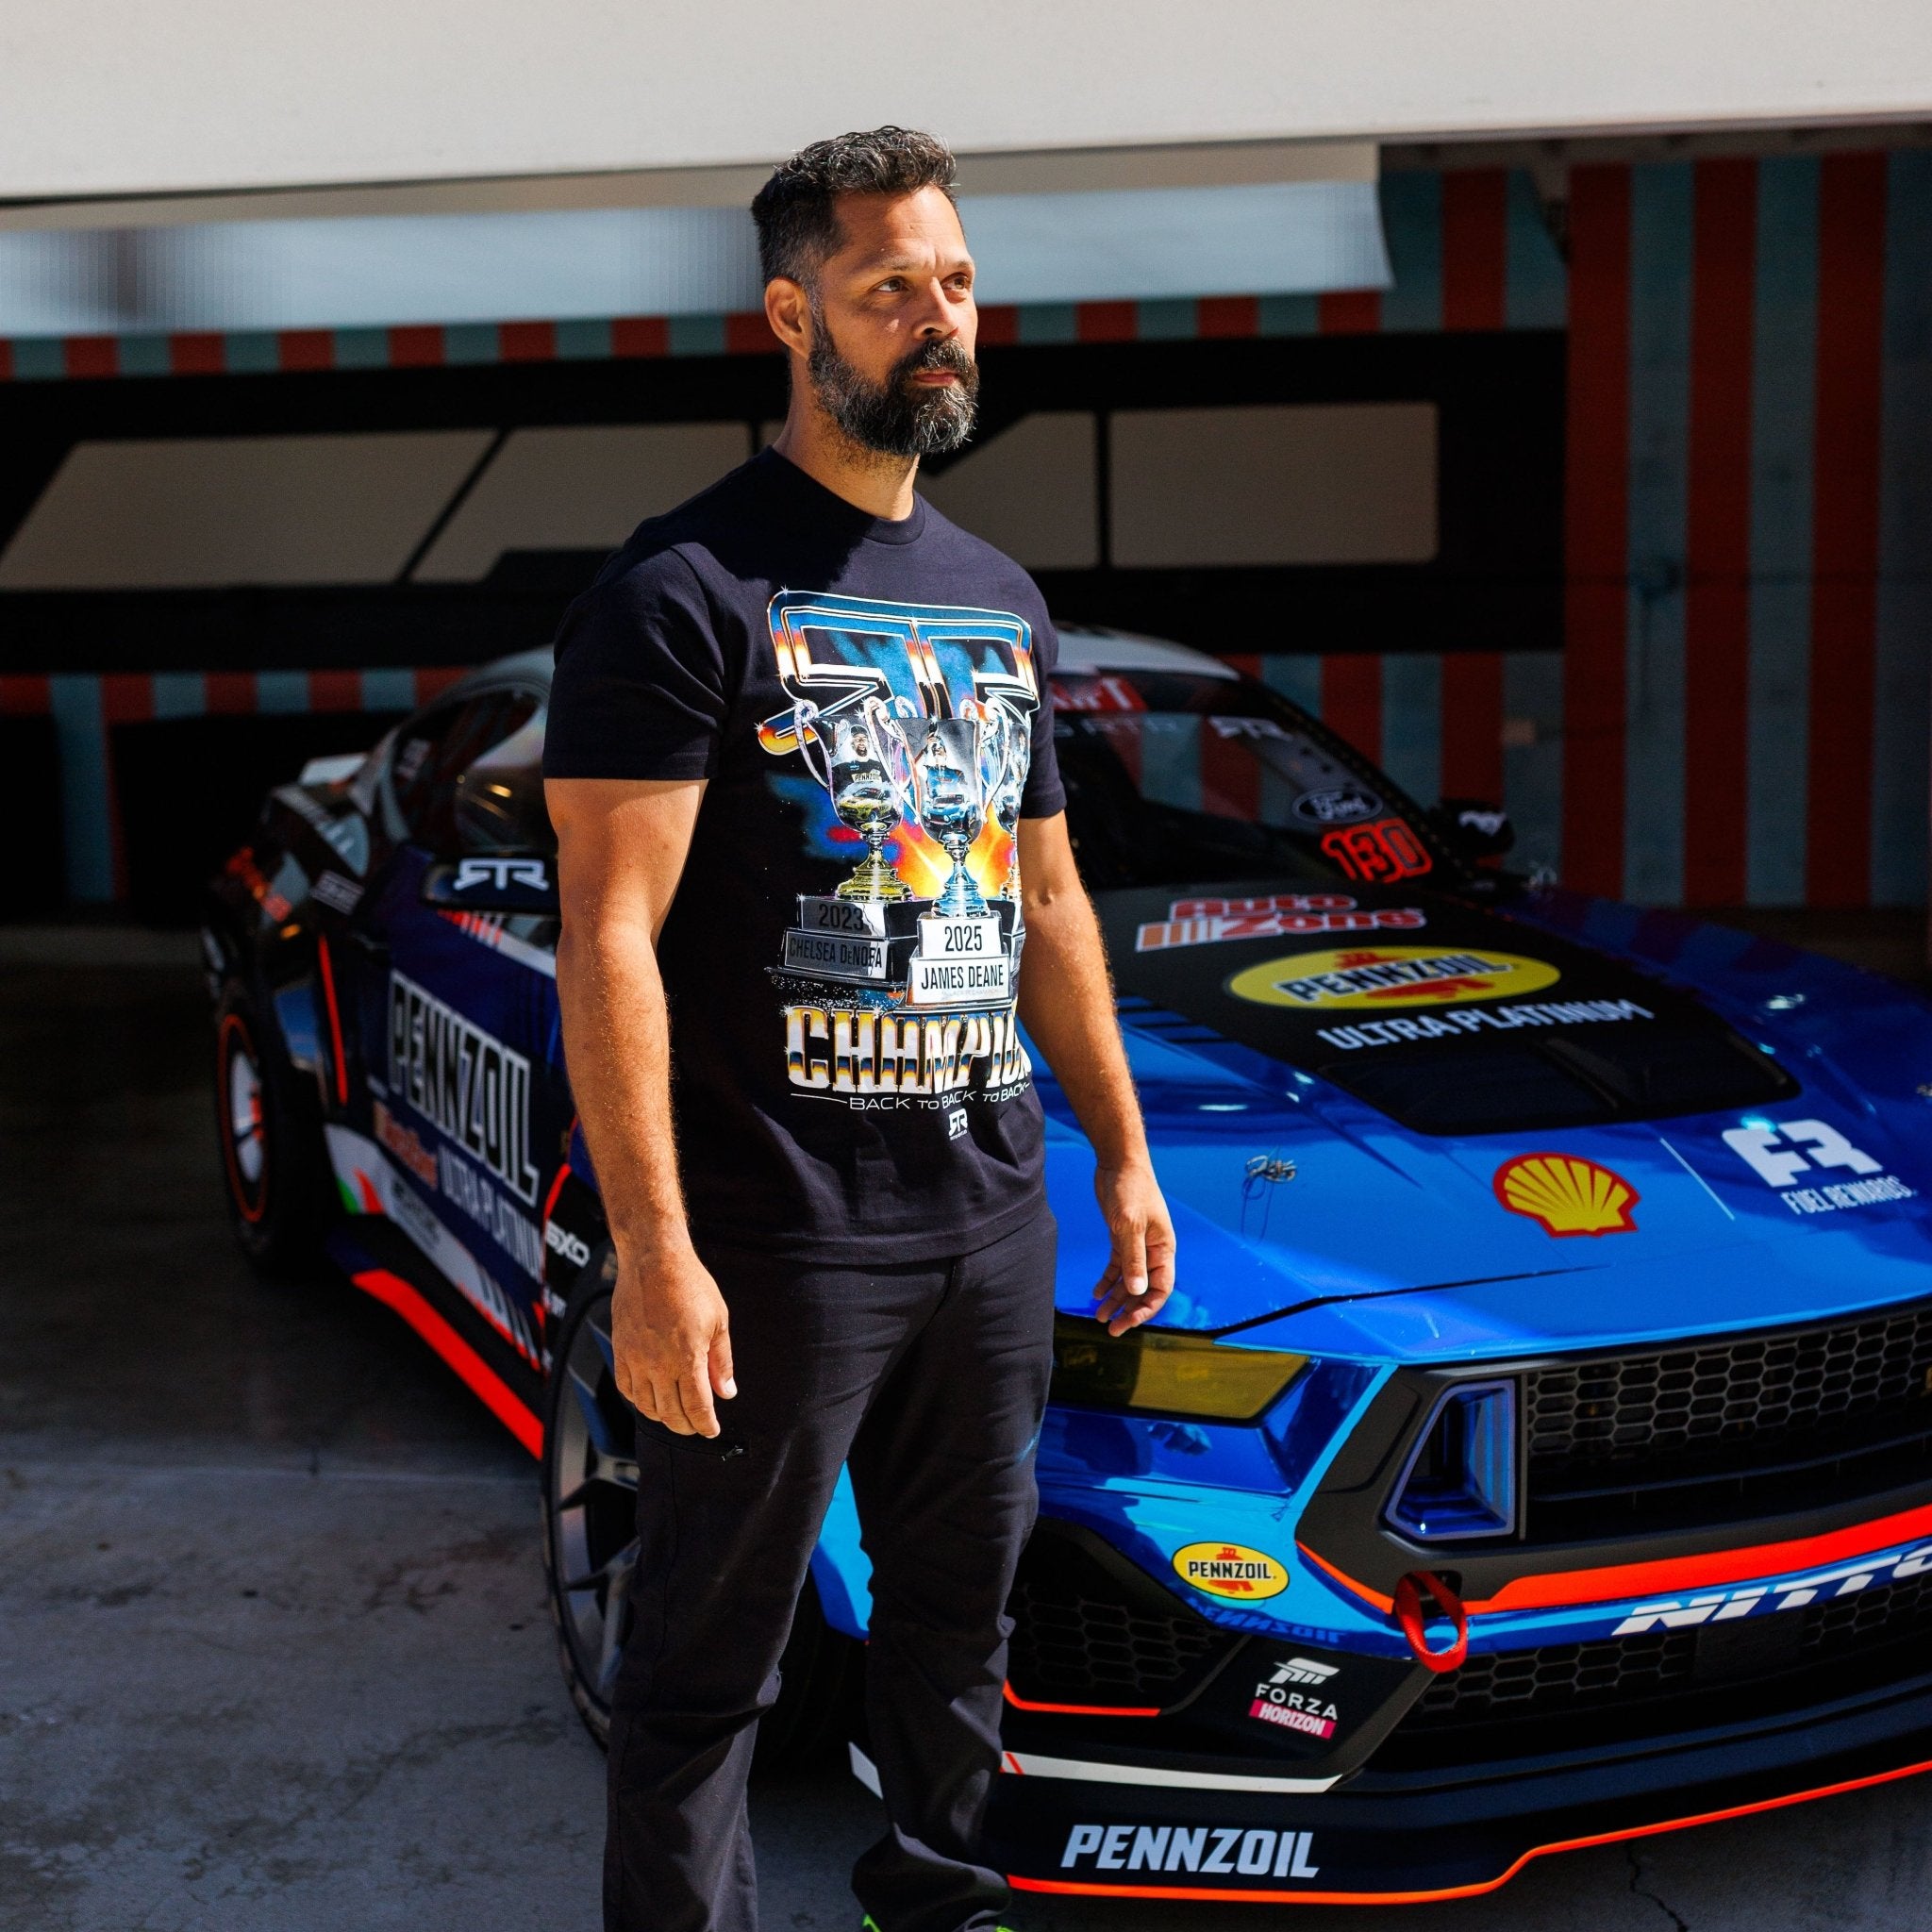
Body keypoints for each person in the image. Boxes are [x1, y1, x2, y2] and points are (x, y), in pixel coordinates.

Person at [542, 125, 1176, 1932]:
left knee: (958, 1628)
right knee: (706, 1670)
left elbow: (1048, 902)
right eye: (892, 286)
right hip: (779, 1234)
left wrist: (1121, 1154)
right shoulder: (680, 591)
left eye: (957, 281)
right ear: (790, 317)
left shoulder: (998, 598)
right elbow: (608, 937)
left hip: (987, 1216)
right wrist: (655, 1253)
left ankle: (945, 1903)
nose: (940, 317)